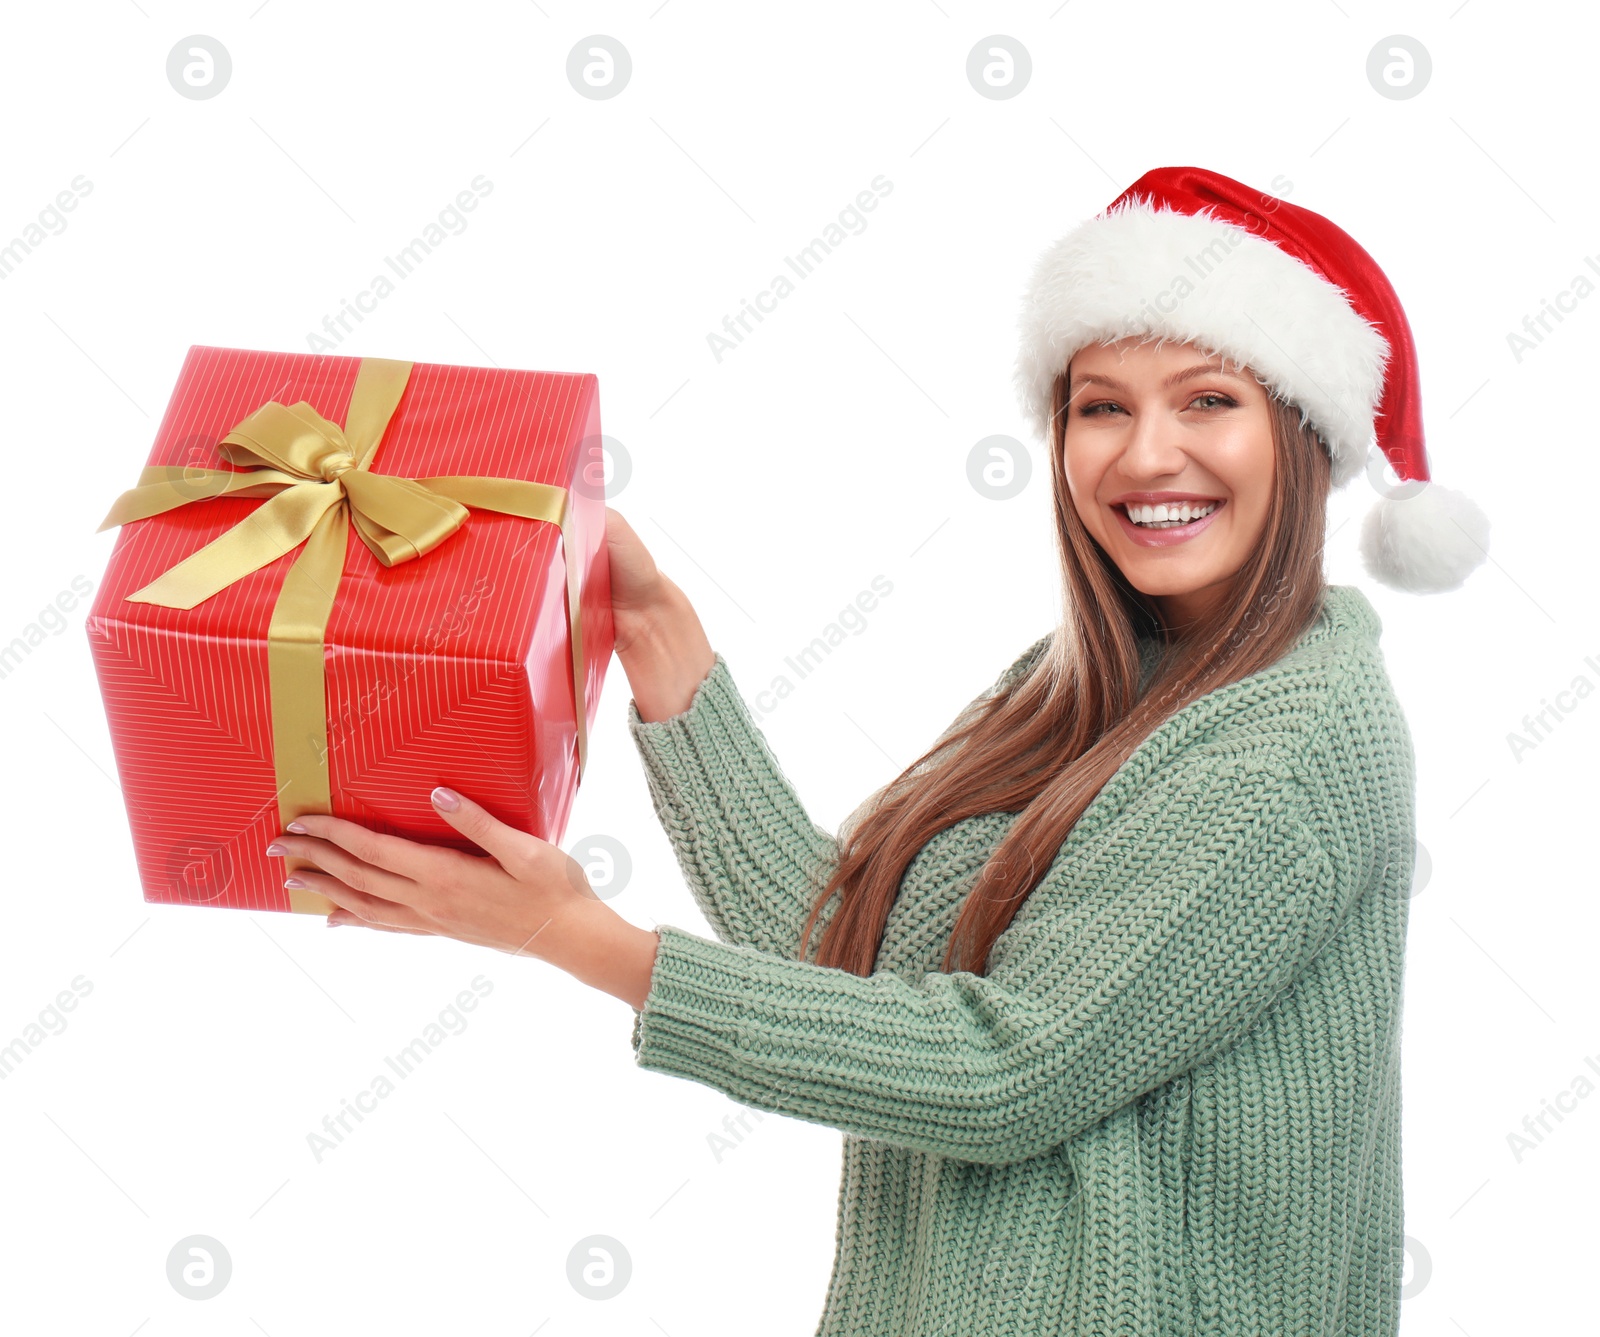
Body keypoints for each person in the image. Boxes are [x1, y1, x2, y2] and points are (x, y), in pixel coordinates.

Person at [272, 166, 1490, 1335]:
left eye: (1208, 400)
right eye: (1100, 404)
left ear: (1306, 437)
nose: (1143, 453)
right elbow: (857, 960)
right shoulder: (1100, 676)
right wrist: (653, 636)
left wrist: (574, 937)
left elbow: (996, 1069)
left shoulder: (1278, 753)